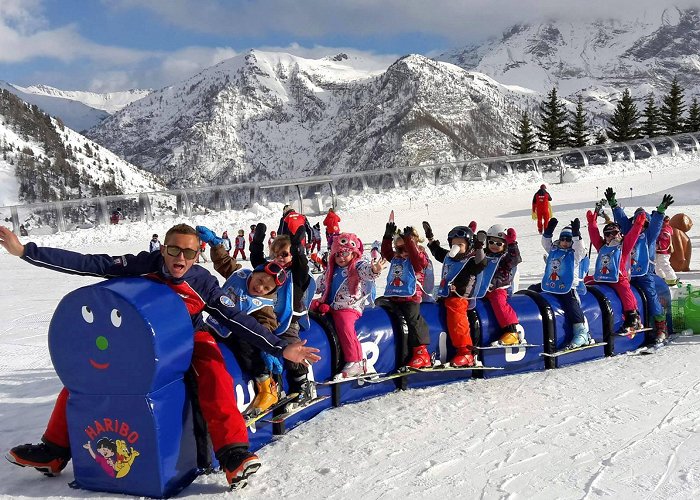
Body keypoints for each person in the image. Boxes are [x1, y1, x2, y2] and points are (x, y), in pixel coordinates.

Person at [0, 223, 320, 490]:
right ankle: (54, 450)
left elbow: (236, 317)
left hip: (187, 337)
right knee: (87, 376)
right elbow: (91, 263)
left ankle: (233, 454)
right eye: (174, 250)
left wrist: (280, 346)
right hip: (137, 340)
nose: (180, 257)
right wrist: (26, 252)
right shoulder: (142, 266)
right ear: (163, 249)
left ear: (197, 256)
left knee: (213, 370)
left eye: (189, 252)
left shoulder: (203, 284)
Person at [251, 224, 317, 407]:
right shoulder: (270, 271)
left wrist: (297, 248)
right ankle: (275, 388)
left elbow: (302, 266)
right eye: (276, 254)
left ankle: (302, 383)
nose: (279, 258)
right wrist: (257, 242)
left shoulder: (297, 273)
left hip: (289, 322)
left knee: (291, 349)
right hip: (269, 321)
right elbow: (257, 260)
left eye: (285, 254)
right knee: (265, 350)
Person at [311, 233, 384, 379]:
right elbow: (319, 285)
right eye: (337, 254)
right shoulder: (332, 270)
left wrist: (374, 270)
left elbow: (366, 272)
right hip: (331, 304)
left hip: (349, 306)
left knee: (344, 325)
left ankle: (355, 361)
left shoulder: (356, 266)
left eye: (345, 253)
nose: (341, 258)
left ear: (354, 252)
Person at [606, 189, 675, 342]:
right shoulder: (629, 233)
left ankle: (660, 326)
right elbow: (622, 219)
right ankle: (630, 319)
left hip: (645, 274)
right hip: (626, 273)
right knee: (622, 293)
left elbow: (657, 225)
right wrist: (614, 205)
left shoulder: (649, 236)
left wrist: (660, 210)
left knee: (651, 295)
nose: (641, 225)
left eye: (644, 222)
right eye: (638, 221)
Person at [425, 224, 487, 367]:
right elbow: (437, 251)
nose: (456, 247)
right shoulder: (449, 257)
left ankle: (465, 352)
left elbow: (481, 263)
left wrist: (479, 247)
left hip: (460, 298)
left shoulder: (471, 260)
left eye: (460, 244)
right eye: (454, 244)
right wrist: (430, 238)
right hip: (445, 295)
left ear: (469, 245)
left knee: (456, 315)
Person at [376, 222, 431, 369]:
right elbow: (386, 252)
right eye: (398, 248)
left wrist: (409, 243)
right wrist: (387, 237)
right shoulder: (397, 257)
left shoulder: (418, 257)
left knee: (413, 318)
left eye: (405, 247)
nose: (401, 252)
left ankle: (421, 353)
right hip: (394, 296)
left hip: (410, 298)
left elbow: (417, 260)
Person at [587, 208, 647, 334]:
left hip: (618, 278)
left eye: (615, 233)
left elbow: (633, 236)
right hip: (602, 277)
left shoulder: (623, 247)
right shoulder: (603, 247)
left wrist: (638, 225)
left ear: (621, 234)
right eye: (608, 234)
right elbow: (594, 236)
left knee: (625, 290)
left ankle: (632, 315)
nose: (612, 236)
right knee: (584, 281)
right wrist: (592, 223)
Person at [541, 218, 592, 349]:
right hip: (552, 285)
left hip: (568, 287)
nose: (564, 242)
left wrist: (576, 235)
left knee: (571, 304)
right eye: (562, 239)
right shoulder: (554, 250)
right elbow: (546, 244)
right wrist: (548, 231)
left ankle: (581, 332)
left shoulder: (575, 254)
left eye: (568, 240)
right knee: (534, 290)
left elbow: (580, 248)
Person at [480, 224, 523, 345]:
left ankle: (511, 331)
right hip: (482, 289)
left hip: (500, 288)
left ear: (505, 245)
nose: (494, 245)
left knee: (498, 301)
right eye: (492, 242)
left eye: (499, 243)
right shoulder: (483, 255)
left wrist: (512, 244)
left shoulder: (505, 258)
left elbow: (515, 259)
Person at [655, 216, 677, 285]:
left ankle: (671, 278)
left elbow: (664, 241)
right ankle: (661, 278)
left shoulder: (664, 230)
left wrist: (658, 246)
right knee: (657, 265)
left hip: (663, 252)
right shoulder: (664, 229)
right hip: (659, 252)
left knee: (664, 264)